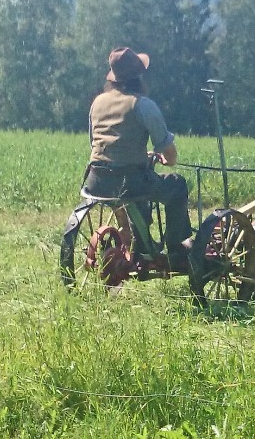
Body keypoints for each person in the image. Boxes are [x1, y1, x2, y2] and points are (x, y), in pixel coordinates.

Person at [83, 46, 193, 271]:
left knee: (135, 189)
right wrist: (166, 159)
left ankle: (141, 243)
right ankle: (176, 250)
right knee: (177, 185)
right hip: (131, 181)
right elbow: (170, 154)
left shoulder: (98, 103)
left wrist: (141, 156)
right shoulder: (143, 105)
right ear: (138, 77)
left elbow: (99, 143)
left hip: (96, 179)